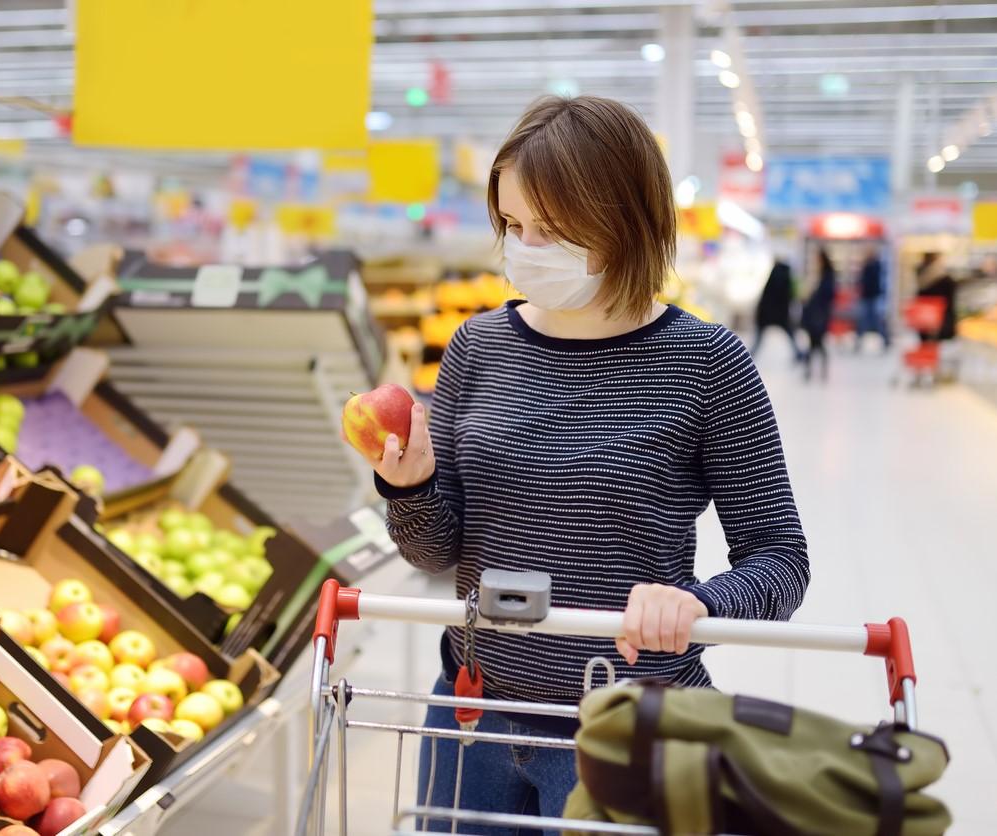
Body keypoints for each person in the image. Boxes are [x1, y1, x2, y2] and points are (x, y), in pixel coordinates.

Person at [345, 96, 809, 834]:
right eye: (514, 226)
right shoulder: (479, 347)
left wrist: (699, 606)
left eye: (553, 232)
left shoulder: (707, 364)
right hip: (472, 711)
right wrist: (411, 487)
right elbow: (437, 553)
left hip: (623, 721)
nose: (526, 250)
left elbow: (781, 559)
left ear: (628, 223)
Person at [750, 257, 800, 359]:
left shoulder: (775, 275)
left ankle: (748, 355)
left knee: (758, 338)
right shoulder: (786, 275)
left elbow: (766, 296)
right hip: (781, 313)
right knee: (790, 335)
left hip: (768, 313)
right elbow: (789, 296)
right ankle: (799, 354)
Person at [800, 248, 837, 381]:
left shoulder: (827, 277)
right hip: (816, 314)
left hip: (819, 315)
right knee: (814, 343)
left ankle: (814, 370)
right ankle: (812, 371)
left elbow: (827, 296)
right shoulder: (822, 276)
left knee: (817, 343)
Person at [916, 252, 957, 341]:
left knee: (927, 343)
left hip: (925, 319)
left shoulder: (920, 274)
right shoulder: (944, 278)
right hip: (941, 319)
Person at [856, 246, 890, 350]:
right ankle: (859, 340)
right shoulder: (870, 266)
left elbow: (871, 282)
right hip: (868, 297)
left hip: (872, 297)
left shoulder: (875, 266)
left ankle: (885, 339)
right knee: (864, 320)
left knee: (875, 320)